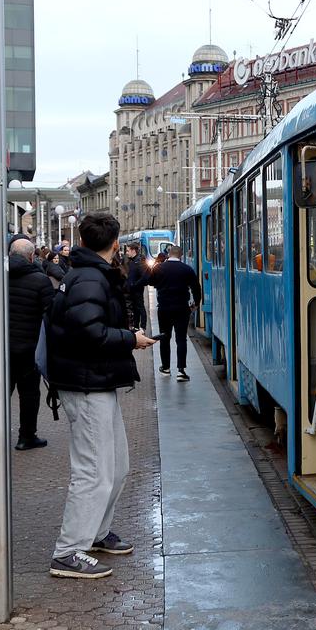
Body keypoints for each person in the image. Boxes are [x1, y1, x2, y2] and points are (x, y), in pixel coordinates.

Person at [46, 212, 156, 579]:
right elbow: (88, 332)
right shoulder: (90, 278)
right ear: (114, 244)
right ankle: (67, 552)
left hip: (96, 381)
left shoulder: (85, 273)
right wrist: (131, 339)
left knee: (116, 466)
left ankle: (95, 532)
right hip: (86, 383)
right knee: (93, 472)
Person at [0, 238, 54, 452]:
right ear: (32, 256)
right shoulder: (40, 280)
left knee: (1, 391)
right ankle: (26, 436)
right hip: (29, 347)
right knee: (30, 393)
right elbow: (50, 314)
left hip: (2, 346)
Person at [148, 245, 202, 382]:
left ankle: (165, 368)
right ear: (181, 256)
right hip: (181, 308)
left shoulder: (159, 268)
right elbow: (196, 288)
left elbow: (151, 281)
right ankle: (181, 371)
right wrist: (196, 303)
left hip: (164, 308)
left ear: (168, 254)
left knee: (164, 337)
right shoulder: (187, 269)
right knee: (181, 339)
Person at [123, 243, 150, 331]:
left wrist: (135, 284)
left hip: (137, 290)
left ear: (133, 250)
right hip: (132, 290)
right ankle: (136, 326)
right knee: (135, 308)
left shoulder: (139, 261)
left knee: (140, 307)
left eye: (128, 251)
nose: (127, 253)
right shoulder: (132, 261)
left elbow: (145, 278)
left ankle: (143, 327)